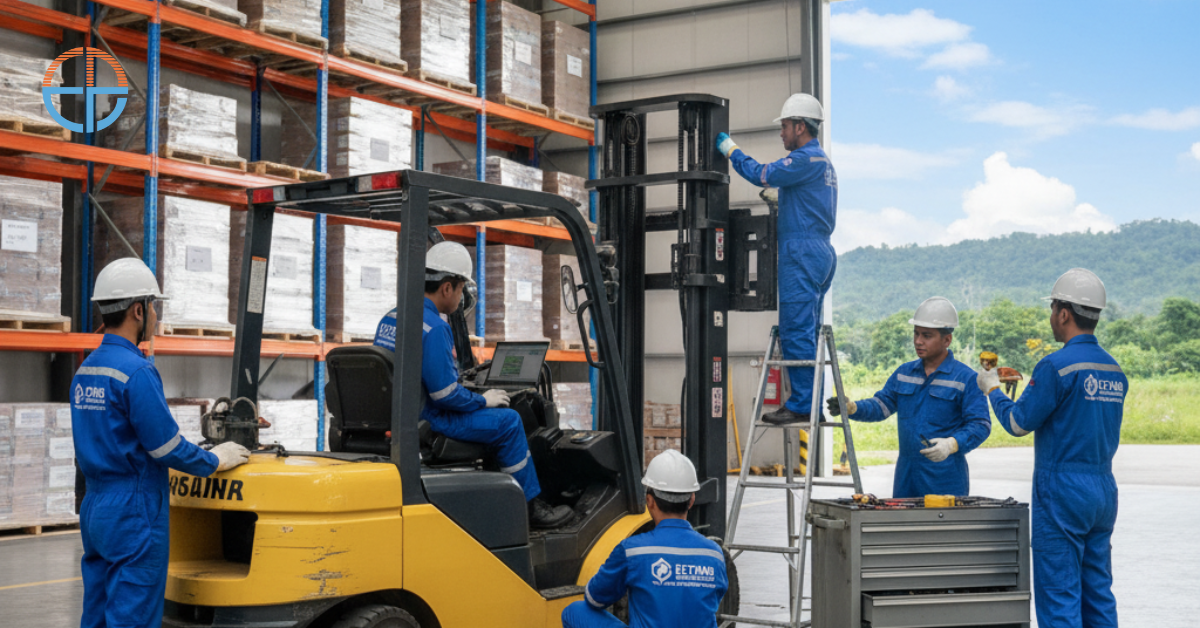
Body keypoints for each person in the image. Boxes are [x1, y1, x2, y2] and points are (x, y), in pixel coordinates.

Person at [73, 258, 250, 628]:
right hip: (133, 511)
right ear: (139, 309)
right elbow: (165, 447)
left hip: (95, 508)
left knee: (98, 613)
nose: (155, 315)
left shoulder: (86, 369)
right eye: (153, 306)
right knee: (132, 616)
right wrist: (213, 460)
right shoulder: (136, 371)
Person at [373, 242, 572, 528]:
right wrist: (483, 399)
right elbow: (445, 395)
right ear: (446, 288)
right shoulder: (436, 326)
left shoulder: (391, 317)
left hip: (403, 414)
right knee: (510, 421)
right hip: (431, 417)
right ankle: (529, 509)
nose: (462, 295)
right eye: (461, 287)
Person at [978, 268, 1124, 628]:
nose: (1051, 317)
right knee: (1098, 594)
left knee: (1059, 595)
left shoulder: (1055, 366)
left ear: (1064, 313)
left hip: (1062, 491)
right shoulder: (1113, 369)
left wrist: (992, 390)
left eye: (1053, 308)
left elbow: (1017, 423)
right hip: (1102, 491)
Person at [715, 93, 837, 425]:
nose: (781, 133)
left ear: (800, 126)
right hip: (819, 251)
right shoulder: (821, 163)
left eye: (784, 126)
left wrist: (732, 152)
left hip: (801, 253)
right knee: (808, 331)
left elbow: (761, 173)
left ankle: (800, 405)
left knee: (796, 330)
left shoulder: (802, 161)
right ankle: (811, 403)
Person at [826, 297, 990, 497]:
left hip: (945, 477)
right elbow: (882, 405)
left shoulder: (966, 378)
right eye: (916, 333)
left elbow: (980, 424)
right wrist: (853, 408)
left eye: (927, 335)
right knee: (903, 526)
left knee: (943, 528)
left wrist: (952, 444)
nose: (918, 341)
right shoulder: (904, 373)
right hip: (907, 474)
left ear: (947, 340)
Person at [561, 450, 728, 628]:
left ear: (649, 501)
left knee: (574, 611)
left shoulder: (632, 550)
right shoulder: (715, 554)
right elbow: (712, 599)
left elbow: (595, 599)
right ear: (692, 499)